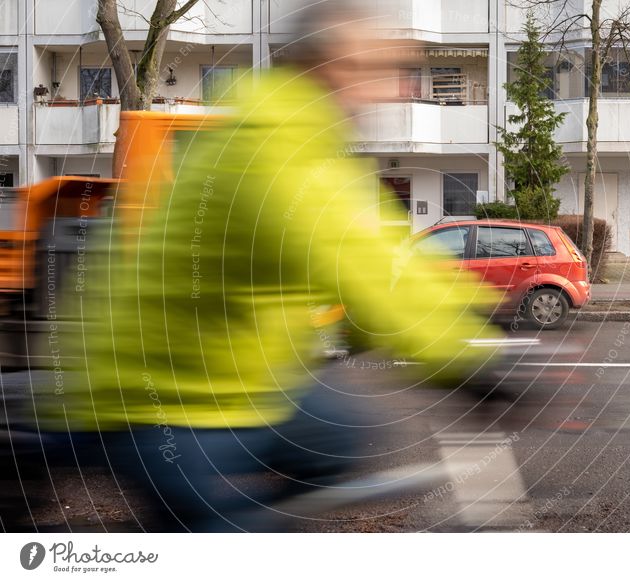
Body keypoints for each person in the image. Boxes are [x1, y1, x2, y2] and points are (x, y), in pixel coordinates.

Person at [35, 1, 502, 532]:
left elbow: (383, 250)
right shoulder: (275, 149)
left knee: (341, 437)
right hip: (165, 395)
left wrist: (473, 338)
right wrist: (469, 363)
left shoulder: (308, 141)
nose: (390, 90)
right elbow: (366, 266)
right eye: (373, 71)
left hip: (251, 376)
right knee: (228, 535)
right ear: (325, 68)